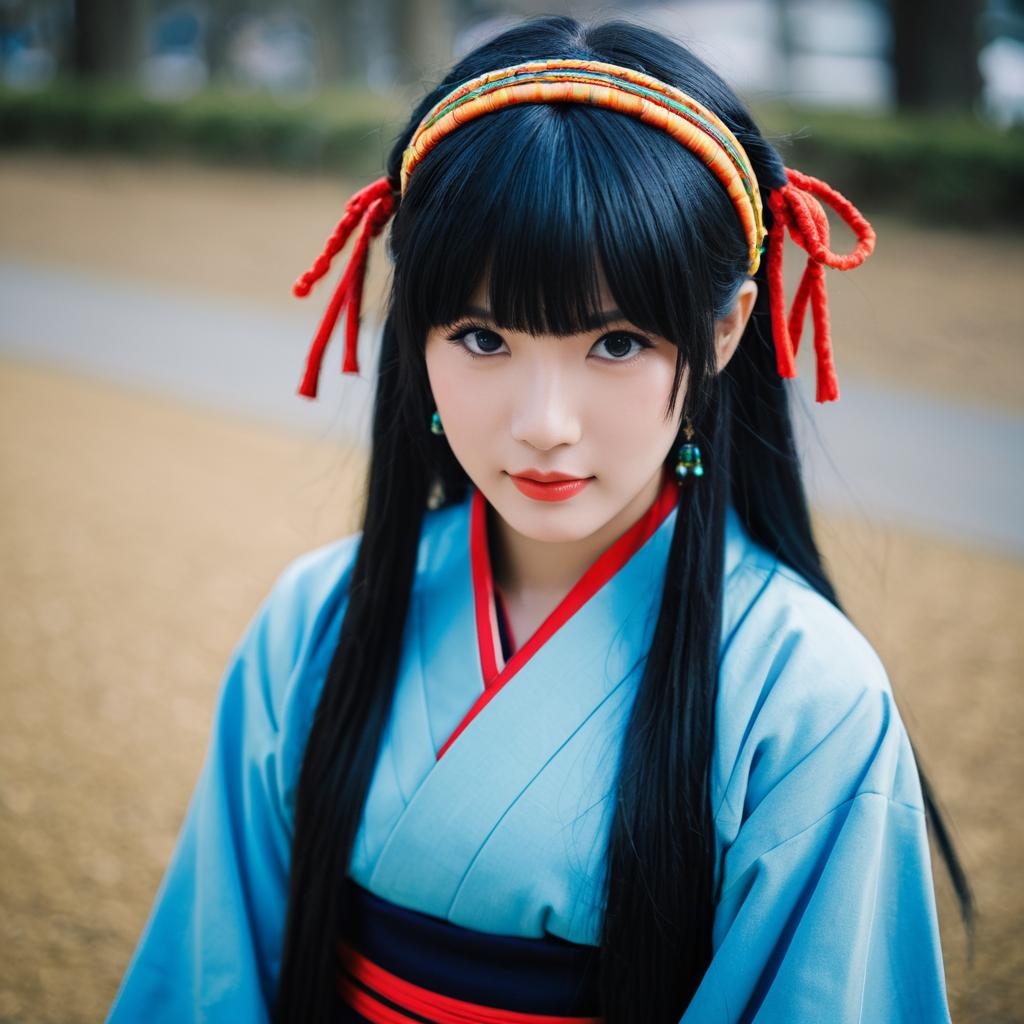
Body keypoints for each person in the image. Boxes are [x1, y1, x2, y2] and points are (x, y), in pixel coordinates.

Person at [107, 15, 970, 1024]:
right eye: (481, 336)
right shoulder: (313, 619)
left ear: (725, 329)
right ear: (413, 331)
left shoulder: (808, 696)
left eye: (614, 343)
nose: (543, 425)